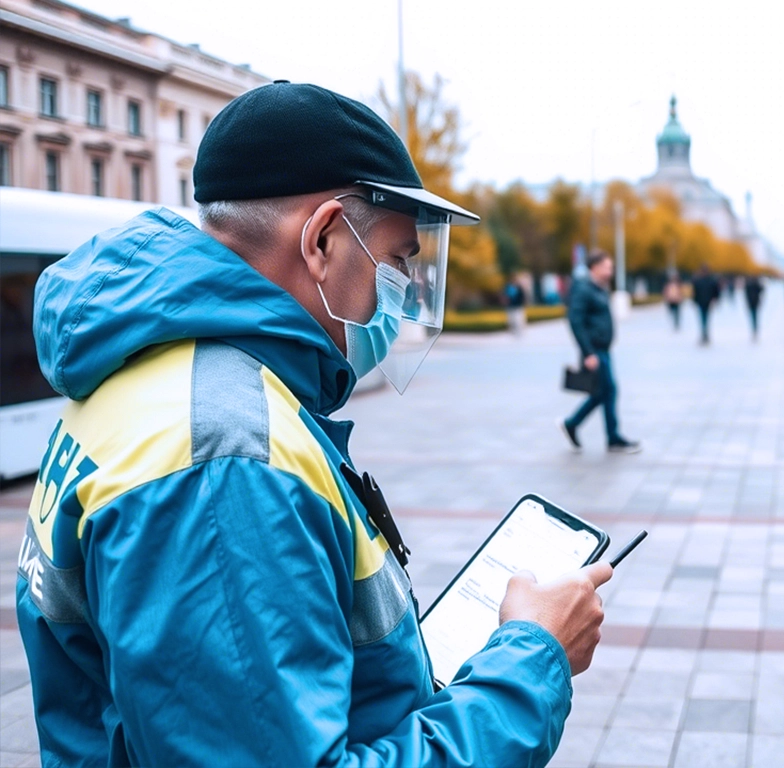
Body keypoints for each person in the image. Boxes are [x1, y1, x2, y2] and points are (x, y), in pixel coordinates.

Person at [15, 82, 615, 767]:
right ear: (325, 238)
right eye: (396, 261)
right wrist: (529, 664)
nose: (403, 292)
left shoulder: (154, 380)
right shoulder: (224, 460)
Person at [563, 251, 641, 453]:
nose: (611, 271)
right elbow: (575, 322)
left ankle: (574, 424)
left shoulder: (599, 288)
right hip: (594, 351)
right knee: (608, 391)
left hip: (603, 349)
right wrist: (588, 352)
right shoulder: (583, 289)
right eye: (607, 266)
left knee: (603, 392)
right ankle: (608, 437)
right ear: (594, 267)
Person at [692, 265, 721, 345]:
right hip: (706, 302)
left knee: (703, 318)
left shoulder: (699, 280)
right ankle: (705, 334)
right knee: (705, 318)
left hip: (703, 302)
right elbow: (716, 292)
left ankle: (704, 334)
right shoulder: (711, 280)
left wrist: (695, 301)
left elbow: (695, 292)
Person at [743, 275, 765, 340]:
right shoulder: (753, 285)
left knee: (754, 316)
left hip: (753, 302)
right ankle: (755, 329)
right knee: (754, 316)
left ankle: (754, 329)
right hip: (754, 302)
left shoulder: (750, 285)